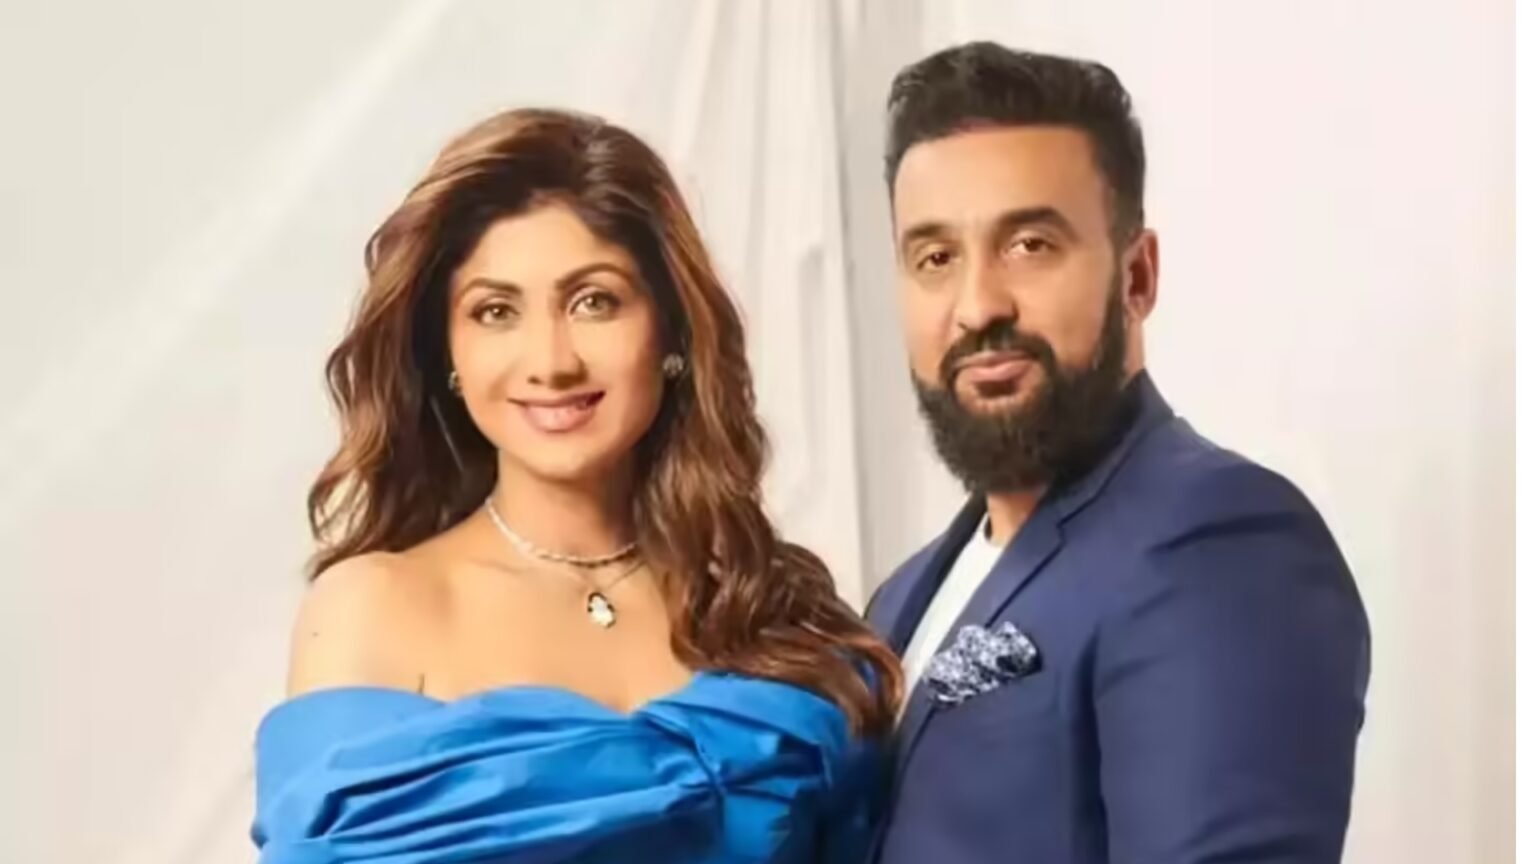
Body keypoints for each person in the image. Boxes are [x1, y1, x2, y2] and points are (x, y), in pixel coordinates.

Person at [252, 108, 901, 863]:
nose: (552, 361)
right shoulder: (374, 607)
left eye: (594, 301)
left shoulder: (776, 607)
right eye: (495, 311)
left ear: (672, 331)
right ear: (448, 356)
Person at [866, 43, 1371, 863]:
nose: (977, 305)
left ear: (1137, 277)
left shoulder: (1220, 545)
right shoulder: (900, 598)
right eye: (935, 258)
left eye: (1029, 244)